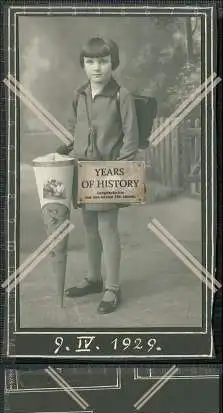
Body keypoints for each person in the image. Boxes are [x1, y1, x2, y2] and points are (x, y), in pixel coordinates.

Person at [59, 37, 139, 314]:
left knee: (107, 228)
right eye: (90, 61)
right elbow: (73, 127)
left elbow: (131, 139)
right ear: (83, 64)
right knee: (89, 227)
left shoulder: (121, 95)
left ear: (112, 63)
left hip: (108, 172)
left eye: (103, 61)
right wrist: (69, 151)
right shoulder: (79, 94)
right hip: (83, 170)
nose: (97, 68)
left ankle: (112, 288)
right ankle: (94, 279)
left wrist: (116, 171)